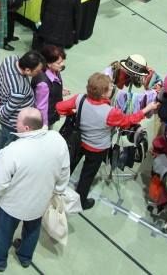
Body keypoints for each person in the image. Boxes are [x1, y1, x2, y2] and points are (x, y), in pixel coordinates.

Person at [0, 107, 69, 272]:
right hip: (41, 201)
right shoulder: (57, 140)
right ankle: (25, 257)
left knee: (4, 233)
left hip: (13, 205)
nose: (15, 122)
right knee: (33, 230)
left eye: (18, 120)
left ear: (26, 128)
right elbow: (64, 169)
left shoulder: (11, 151)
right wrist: (59, 190)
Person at [56, 73, 158, 209]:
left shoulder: (79, 98)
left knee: (70, 165)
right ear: (104, 94)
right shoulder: (111, 112)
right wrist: (146, 109)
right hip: (97, 149)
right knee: (87, 175)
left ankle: (58, 190)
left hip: (79, 142)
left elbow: (59, 107)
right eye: (110, 88)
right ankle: (80, 201)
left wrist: (74, 113)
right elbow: (128, 121)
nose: (113, 89)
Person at [0, 52, 45, 158]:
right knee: (7, 151)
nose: (39, 73)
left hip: (7, 122)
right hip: (14, 125)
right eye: (37, 71)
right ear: (28, 70)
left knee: (2, 142)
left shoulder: (10, 59)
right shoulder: (19, 90)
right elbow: (5, 112)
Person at [32, 45, 66, 127]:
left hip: (52, 112)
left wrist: (59, 90)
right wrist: (44, 126)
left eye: (62, 61)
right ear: (48, 63)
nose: (62, 64)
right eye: (59, 63)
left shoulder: (55, 70)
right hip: (46, 118)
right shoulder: (43, 84)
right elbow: (41, 108)